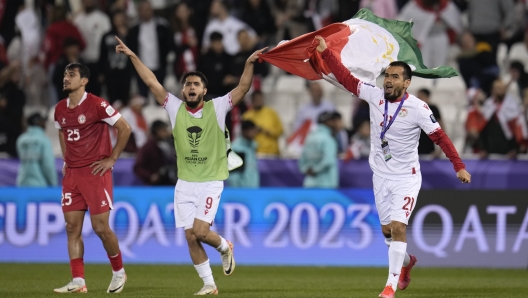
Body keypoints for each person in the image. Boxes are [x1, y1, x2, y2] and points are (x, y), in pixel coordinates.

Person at [314, 35, 471, 298]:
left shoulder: (418, 108)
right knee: (388, 232)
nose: (388, 79)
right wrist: (326, 52)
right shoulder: (375, 95)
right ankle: (408, 263)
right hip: (380, 176)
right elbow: (345, 78)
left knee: (399, 228)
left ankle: (389, 286)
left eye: (395, 76)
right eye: (387, 75)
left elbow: (440, 137)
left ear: (406, 82)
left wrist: (459, 166)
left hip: (406, 178)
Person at [115, 35, 266, 295]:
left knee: (200, 231)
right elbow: (151, 81)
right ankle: (209, 284)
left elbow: (242, 89)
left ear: (204, 91)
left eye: (196, 84)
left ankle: (224, 247)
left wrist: (249, 63)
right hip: (184, 183)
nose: (192, 87)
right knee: (190, 237)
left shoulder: (217, 108)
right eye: (188, 84)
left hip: (210, 181)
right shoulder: (175, 108)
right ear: (183, 90)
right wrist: (132, 56)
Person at [53, 62, 132, 293]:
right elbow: (61, 131)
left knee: (100, 228)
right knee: (71, 227)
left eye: (71, 74)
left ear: (84, 80)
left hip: (96, 172)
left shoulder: (98, 104)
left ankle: (119, 272)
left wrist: (112, 159)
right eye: (65, 74)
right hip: (72, 175)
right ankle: (78, 281)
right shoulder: (59, 108)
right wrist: (67, 161)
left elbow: (125, 128)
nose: (66, 78)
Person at [298, 111, 340, 188]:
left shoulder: (309, 137)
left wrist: (307, 169)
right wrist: (315, 170)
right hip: (327, 185)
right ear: (327, 122)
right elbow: (328, 160)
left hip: (309, 184)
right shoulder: (329, 138)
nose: (335, 123)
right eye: (332, 121)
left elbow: (302, 160)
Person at [16, 113, 58, 187]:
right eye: (43, 122)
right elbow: (48, 166)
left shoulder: (21, 140)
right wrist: (53, 185)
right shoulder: (44, 141)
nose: (45, 124)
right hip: (39, 185)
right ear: (39, 123)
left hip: (22, 183)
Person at [133, 120, 177, 185]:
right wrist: (150, 176)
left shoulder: (168, 143)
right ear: (157, 131)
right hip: (155, 185)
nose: (167, 132)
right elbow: (138, 167)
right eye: (164, 130)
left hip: (169, 180)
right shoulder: (147, 147)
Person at [242, 90, 283, 155]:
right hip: (254, 152)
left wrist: (266, 131)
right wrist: (253, 131)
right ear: (252, 101)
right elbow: (243, 134)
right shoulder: (247, 116)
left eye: (260, 98)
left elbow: (280, 130)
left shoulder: (271, 113)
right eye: (256, 99)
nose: (259, 101)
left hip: (272, 152)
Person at [226, 119, 260, 188]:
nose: (254, 133)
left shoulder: (252, 147)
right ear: (244, 131)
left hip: (253, 190)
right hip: (241, 192)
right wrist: (238, 192)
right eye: (252, 130)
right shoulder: (237, 148)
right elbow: (234, 175)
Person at [416, 88, 443, 156]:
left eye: (420, 96)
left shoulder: (433, 109)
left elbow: (440, 128)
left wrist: (440, 149)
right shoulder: (415, 110)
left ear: (426, 96)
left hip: (429, 149)